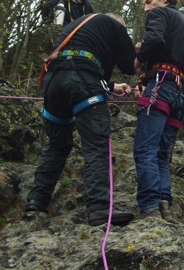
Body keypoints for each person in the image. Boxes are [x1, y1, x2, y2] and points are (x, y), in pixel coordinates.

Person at [27, 12, 137, 227]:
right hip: (82, 79)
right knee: (96, 144)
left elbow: (79, 60)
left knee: (57, 145)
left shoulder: (78, 27)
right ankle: (98, 209)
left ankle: (36, 201)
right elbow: (128, 65)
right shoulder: (114, 25)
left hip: (53, 81)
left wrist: (111, 85)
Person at [133, 0, 184, 222]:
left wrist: (140, 60)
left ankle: (150, 206)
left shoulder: (160, 14)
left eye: (149, 1)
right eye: (144, 5)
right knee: (162, 153)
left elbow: (154, 40)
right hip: (181, 94)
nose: (146, 9)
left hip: (161, 84)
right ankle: (164, 204)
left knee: (145, 149)